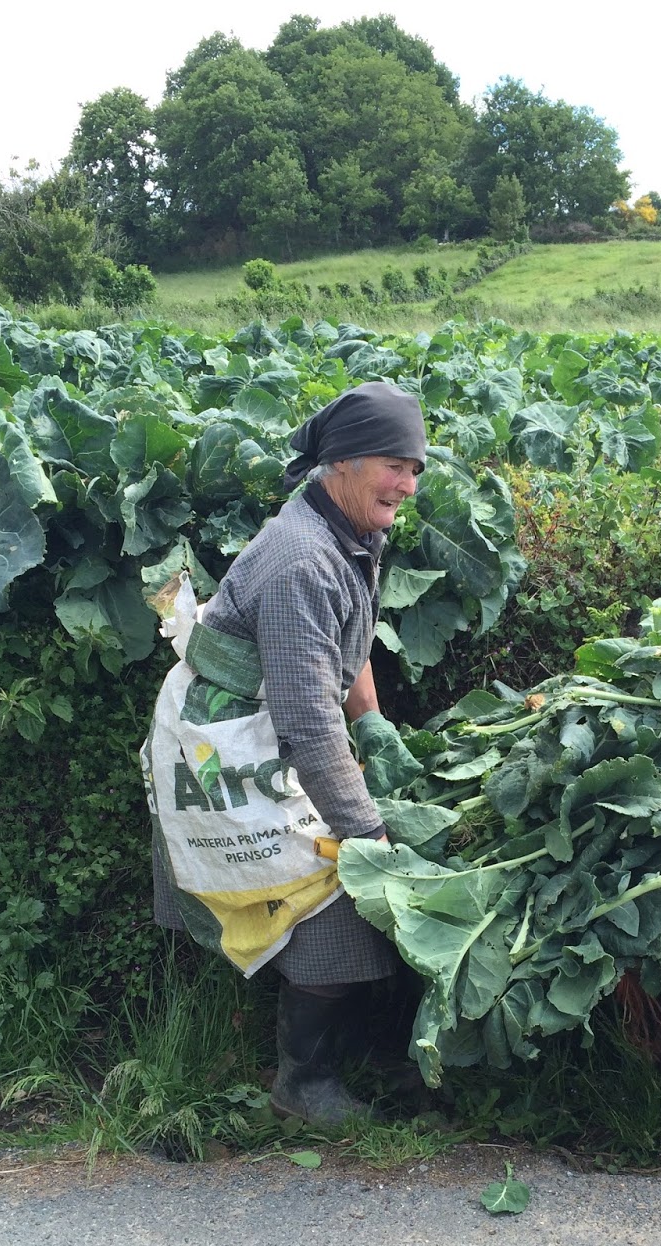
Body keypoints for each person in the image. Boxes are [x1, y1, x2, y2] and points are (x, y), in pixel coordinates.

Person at [152, 381, 426, 1124]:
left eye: (415, 469)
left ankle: (363, 1055)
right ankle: (303, 1085)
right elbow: (307, 719)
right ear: (341, 463)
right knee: (334, 885)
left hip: (274, 730)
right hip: (227, 744)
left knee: (347, 871)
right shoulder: (302, 559)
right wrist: (367, 832)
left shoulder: (352, 529)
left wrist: (376, 728)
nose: (406, 484)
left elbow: (348, 642)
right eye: (393, 465)